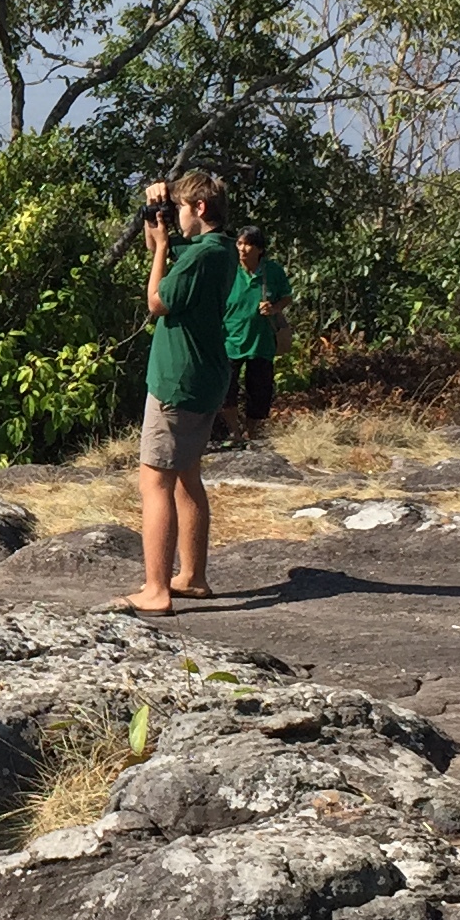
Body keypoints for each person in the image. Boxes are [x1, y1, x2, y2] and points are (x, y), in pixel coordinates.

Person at [124, 169, 233, 616]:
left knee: (155, 480)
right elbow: (159, 249)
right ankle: (192, 576)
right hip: (205, 377)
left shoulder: (197, 257)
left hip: (177, 380)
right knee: (188, 473)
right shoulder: (221, 249)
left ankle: (156, 588)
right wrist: (156, 222)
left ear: (199, 208)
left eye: (181, 210)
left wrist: (166, 245)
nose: (177, 219)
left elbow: (157, 301)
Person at [223, 224, 293, 449]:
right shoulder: (228, 270)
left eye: (249, 244)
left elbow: (286, 297)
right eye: (240, 243)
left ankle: (251, 434)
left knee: (259, 392)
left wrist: (273, 308)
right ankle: (234, 433)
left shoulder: (272, 271)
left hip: (261, 343)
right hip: (229, 341)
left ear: (260, 249)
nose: (242, 249)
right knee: (226, 390)